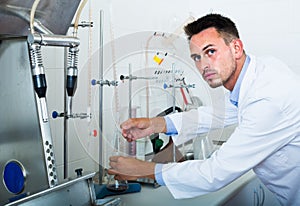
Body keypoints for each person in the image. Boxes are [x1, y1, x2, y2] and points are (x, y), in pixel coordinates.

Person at [108, 13, 300, 205]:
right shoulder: (259, 74)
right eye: (197, 57)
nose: (203, 65)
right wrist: (156, 124)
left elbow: (215, 172)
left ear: (236, 48)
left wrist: (143, 170)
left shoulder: (267, 98)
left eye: (210, 52)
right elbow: (216, 114)